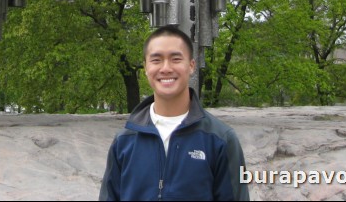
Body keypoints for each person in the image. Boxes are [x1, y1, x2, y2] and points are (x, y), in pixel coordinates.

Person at [99, 25, 250, 201]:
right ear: (145, 67)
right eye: (156, 60)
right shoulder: (124, 141)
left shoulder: (220, 139)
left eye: (176, 59)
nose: (166, 68)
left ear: (191, 65)